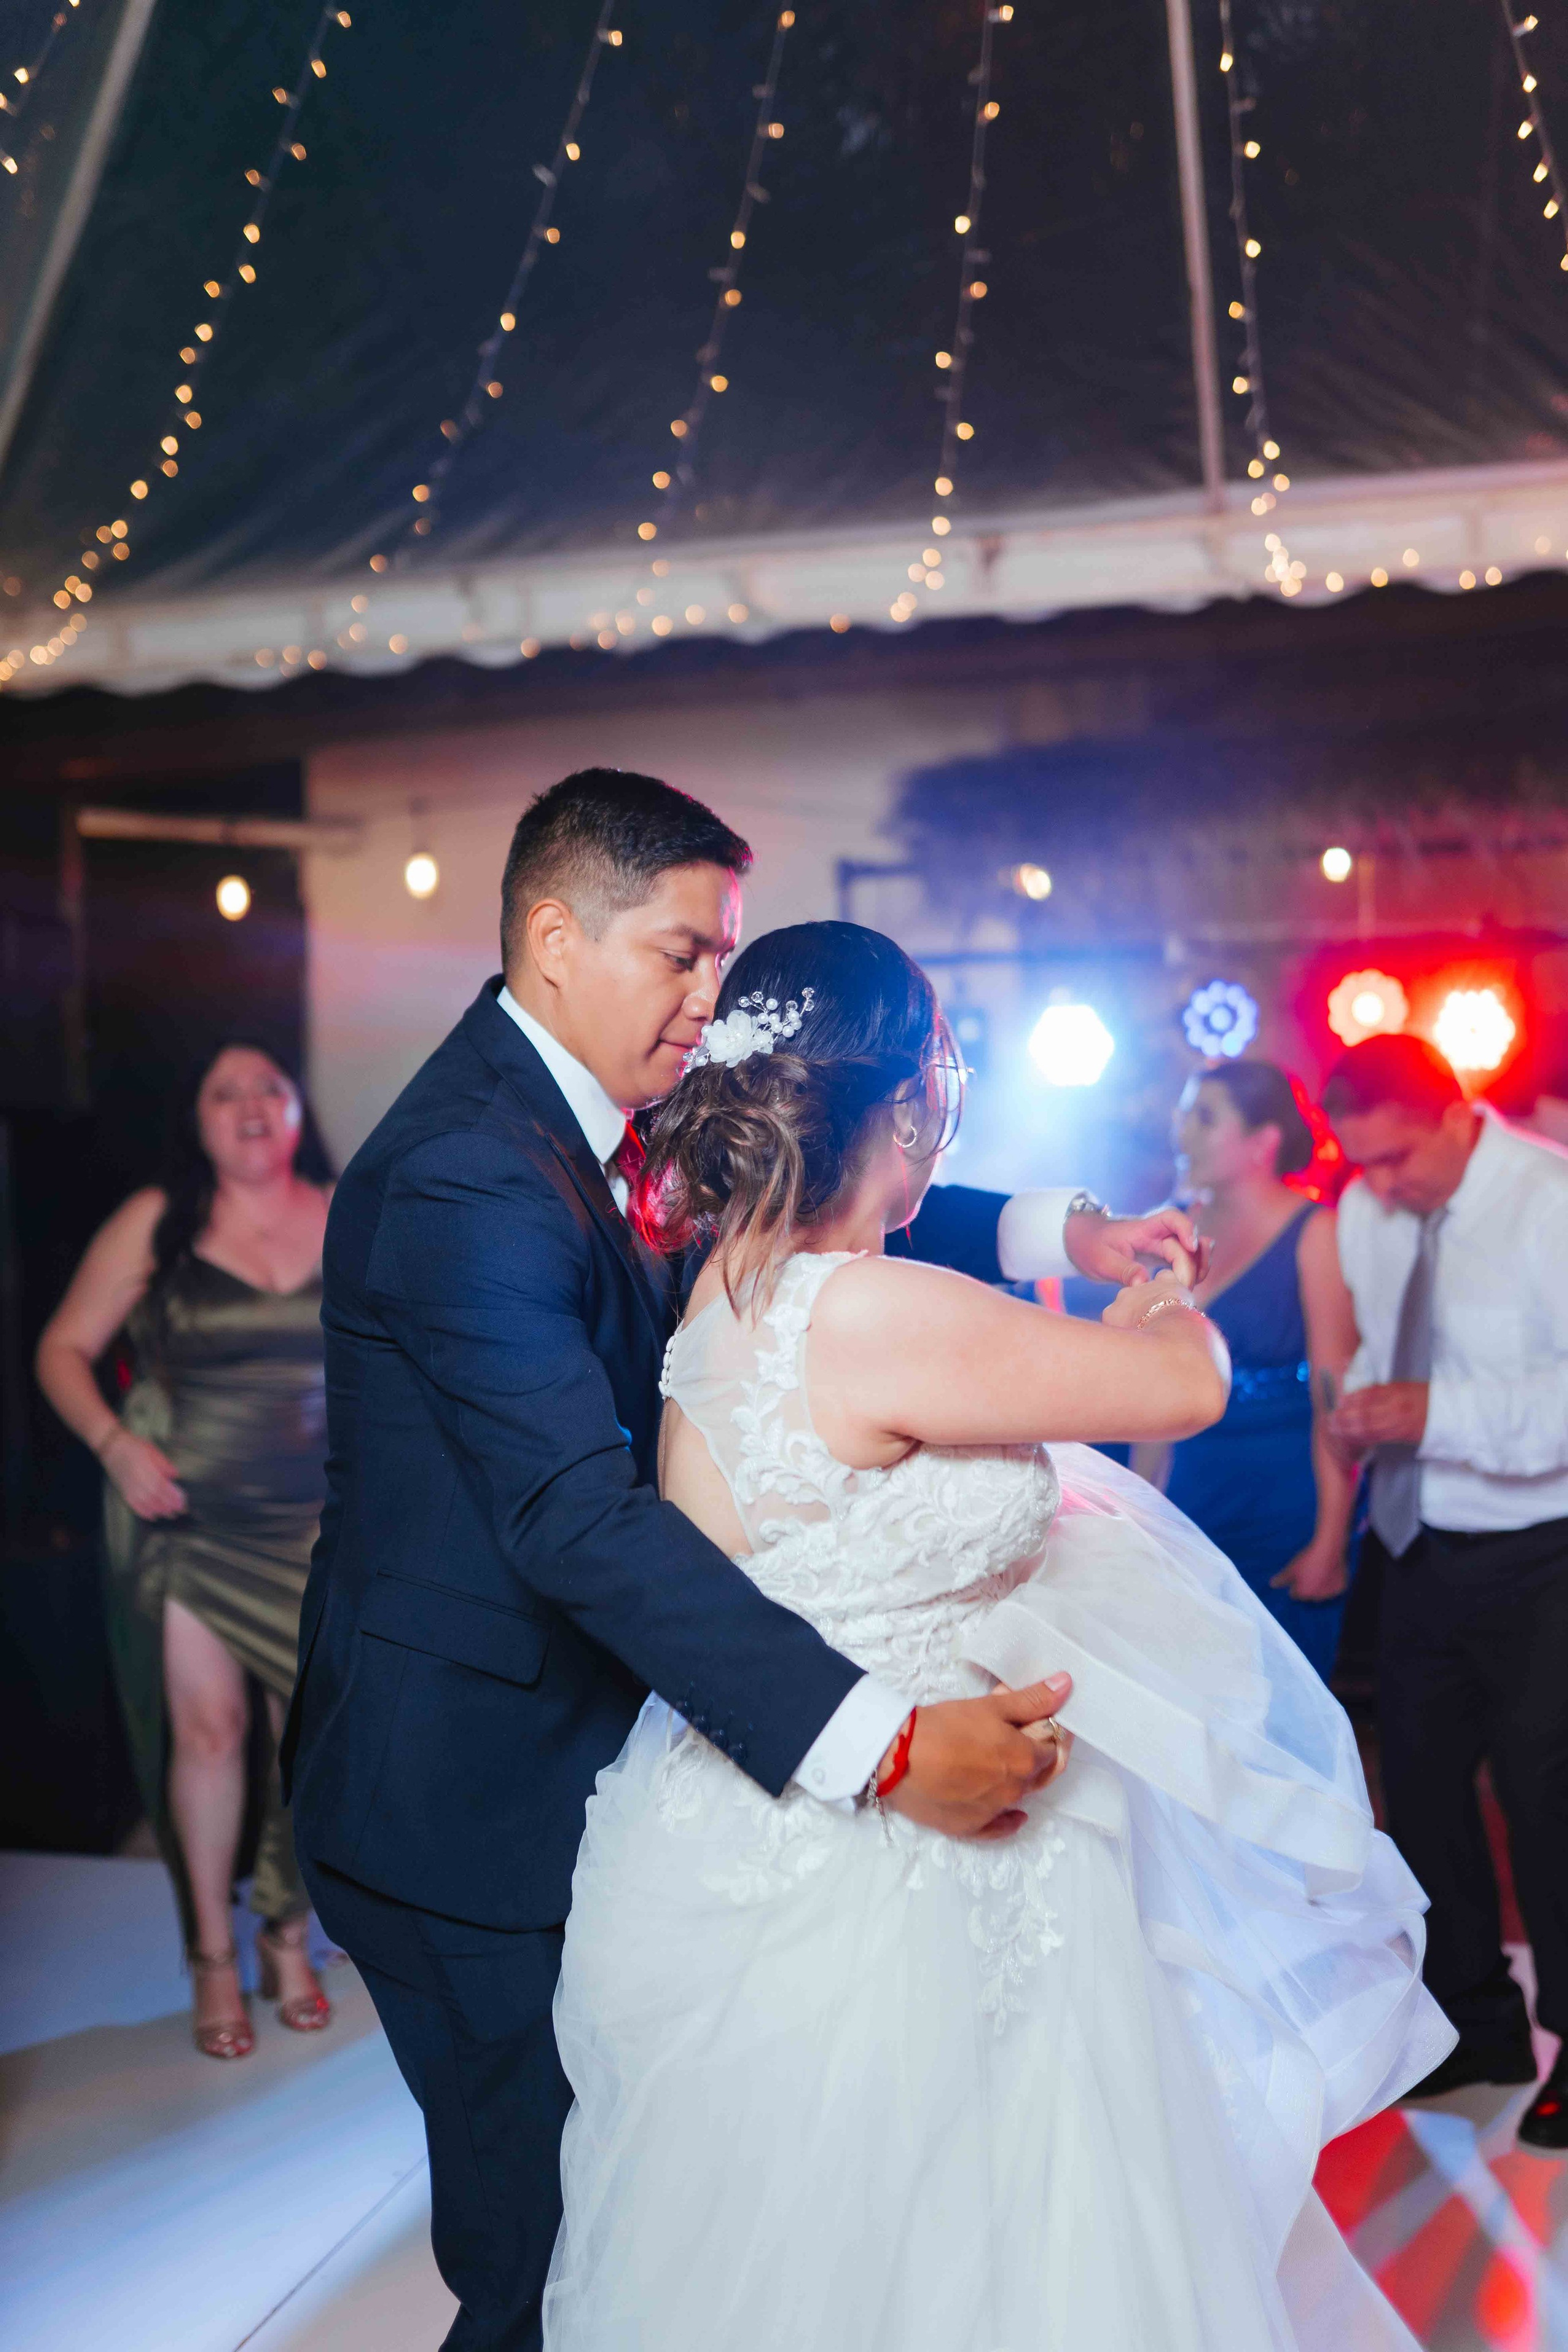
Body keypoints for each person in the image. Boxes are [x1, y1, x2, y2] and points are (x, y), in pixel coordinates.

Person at [282, 767, 1210, 2352]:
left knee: (670, 2237)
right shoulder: (461, 1175)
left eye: (724, 958)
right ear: (557, 939)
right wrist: (886, 1744)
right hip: (467, 1808)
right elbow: (575, 1518)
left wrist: (1055, 1233)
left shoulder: (598, 1121)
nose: (714, 999)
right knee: (559, 2272)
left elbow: (809, 1175)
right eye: (684, 955)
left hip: (604, 1756)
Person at [542, 919, 1451, 2352]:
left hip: (751, 1809)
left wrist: (1071, 1236)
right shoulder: (873, 1308)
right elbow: (1180, 1387)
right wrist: (1167, 1307)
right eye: (938, 1099)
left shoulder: (726, 1292)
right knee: (1005, 2250)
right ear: (902, 1107)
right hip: (925, 1858)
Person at [36, 1042, 336, 2060]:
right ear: (196, 1118)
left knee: (313, 1742)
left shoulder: (347, 1211)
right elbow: (61, 1350)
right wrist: (116, 1446)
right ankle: (215, 1950)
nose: (250, 1105)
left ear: (298, 1109)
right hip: (188, 1519)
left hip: (316, 1528)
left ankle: (289, 1932)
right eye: (225, 1091)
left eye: (269, 1087)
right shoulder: (160, 1221)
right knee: (209, 1735)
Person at [1323, 1033, 1568, 2147]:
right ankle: (1476, 2024)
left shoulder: (1549, 1201)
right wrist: (1368, 1405)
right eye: (1360, 1163)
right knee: (1418, 1794)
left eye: (1397, 1160)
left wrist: (1436, 1415)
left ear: (1460, 1114)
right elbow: (1387, 1347)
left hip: (1541, 1550)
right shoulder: (1372, 1214)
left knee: (1549, 1806)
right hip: (1417, 1547)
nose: (1377, 1186)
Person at [1163, 1061, 1361, 1681]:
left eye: (1205, 1116)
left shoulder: (1315, 1232)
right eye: (1184, 1113)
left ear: (1262, 1142)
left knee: (1283, 1700)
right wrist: (1147, 1511)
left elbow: (1336, 1396)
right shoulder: (1171, 1227)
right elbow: (1148, 1392)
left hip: (1283, 1499)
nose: (1183, 1131)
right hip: (1192, 1490)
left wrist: (1331, 1541)